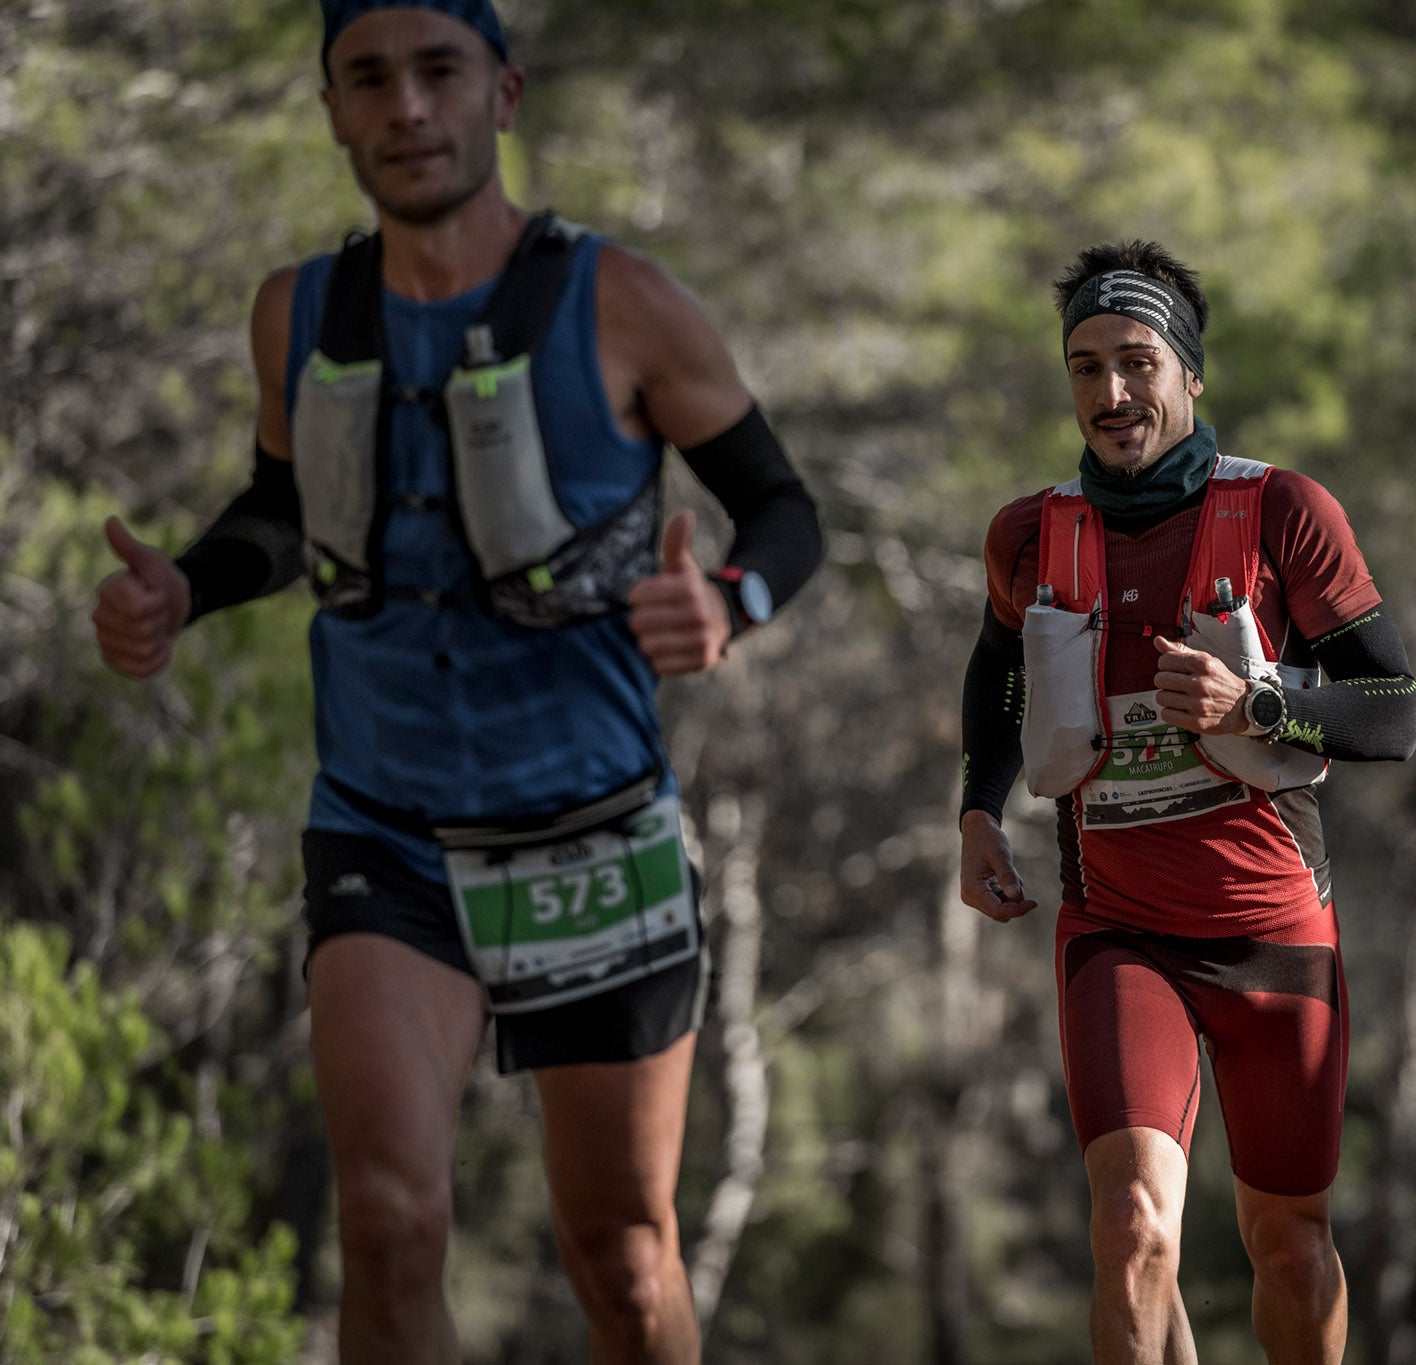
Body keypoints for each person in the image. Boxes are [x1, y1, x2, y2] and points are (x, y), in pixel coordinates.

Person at [89, 3, 820, 1360]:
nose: (408, 108)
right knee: (386, 1220)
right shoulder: (298, 311)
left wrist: (727, 601)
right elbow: (280, 509)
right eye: (370, 79)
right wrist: (184, 588)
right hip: (385, 833)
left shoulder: (623, 303)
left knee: (622, 1251)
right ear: (334, 112)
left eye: (438, 74)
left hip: (590, 834)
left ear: (505, 92)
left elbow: (781, 506)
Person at [957, 240, 1416, 1364]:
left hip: (1274, 942)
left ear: (1189, 372)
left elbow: (1393, 712)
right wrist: (978, 806)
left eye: (1135, 361)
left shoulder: (1282, 514)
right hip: (1118, 934)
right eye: (1083, 368)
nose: (1110, 394)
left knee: (1290, 1246)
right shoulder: (1030, 533)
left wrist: (1258, 705)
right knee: (1130, 1231)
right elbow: (996, 672)